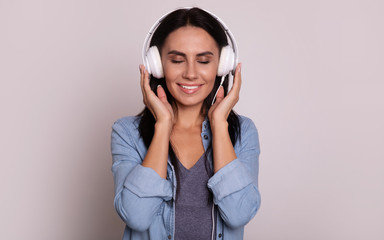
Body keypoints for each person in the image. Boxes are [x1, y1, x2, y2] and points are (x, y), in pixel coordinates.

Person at [111, 7, 261, 240]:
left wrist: (219, 123)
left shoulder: (244, 132)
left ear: (223, 65)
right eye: (177, 60)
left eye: (203, 60)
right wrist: (163, 125)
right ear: (156, 65)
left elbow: (239, 213)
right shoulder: (126, 133)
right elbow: (136, 217)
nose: (191, 73)